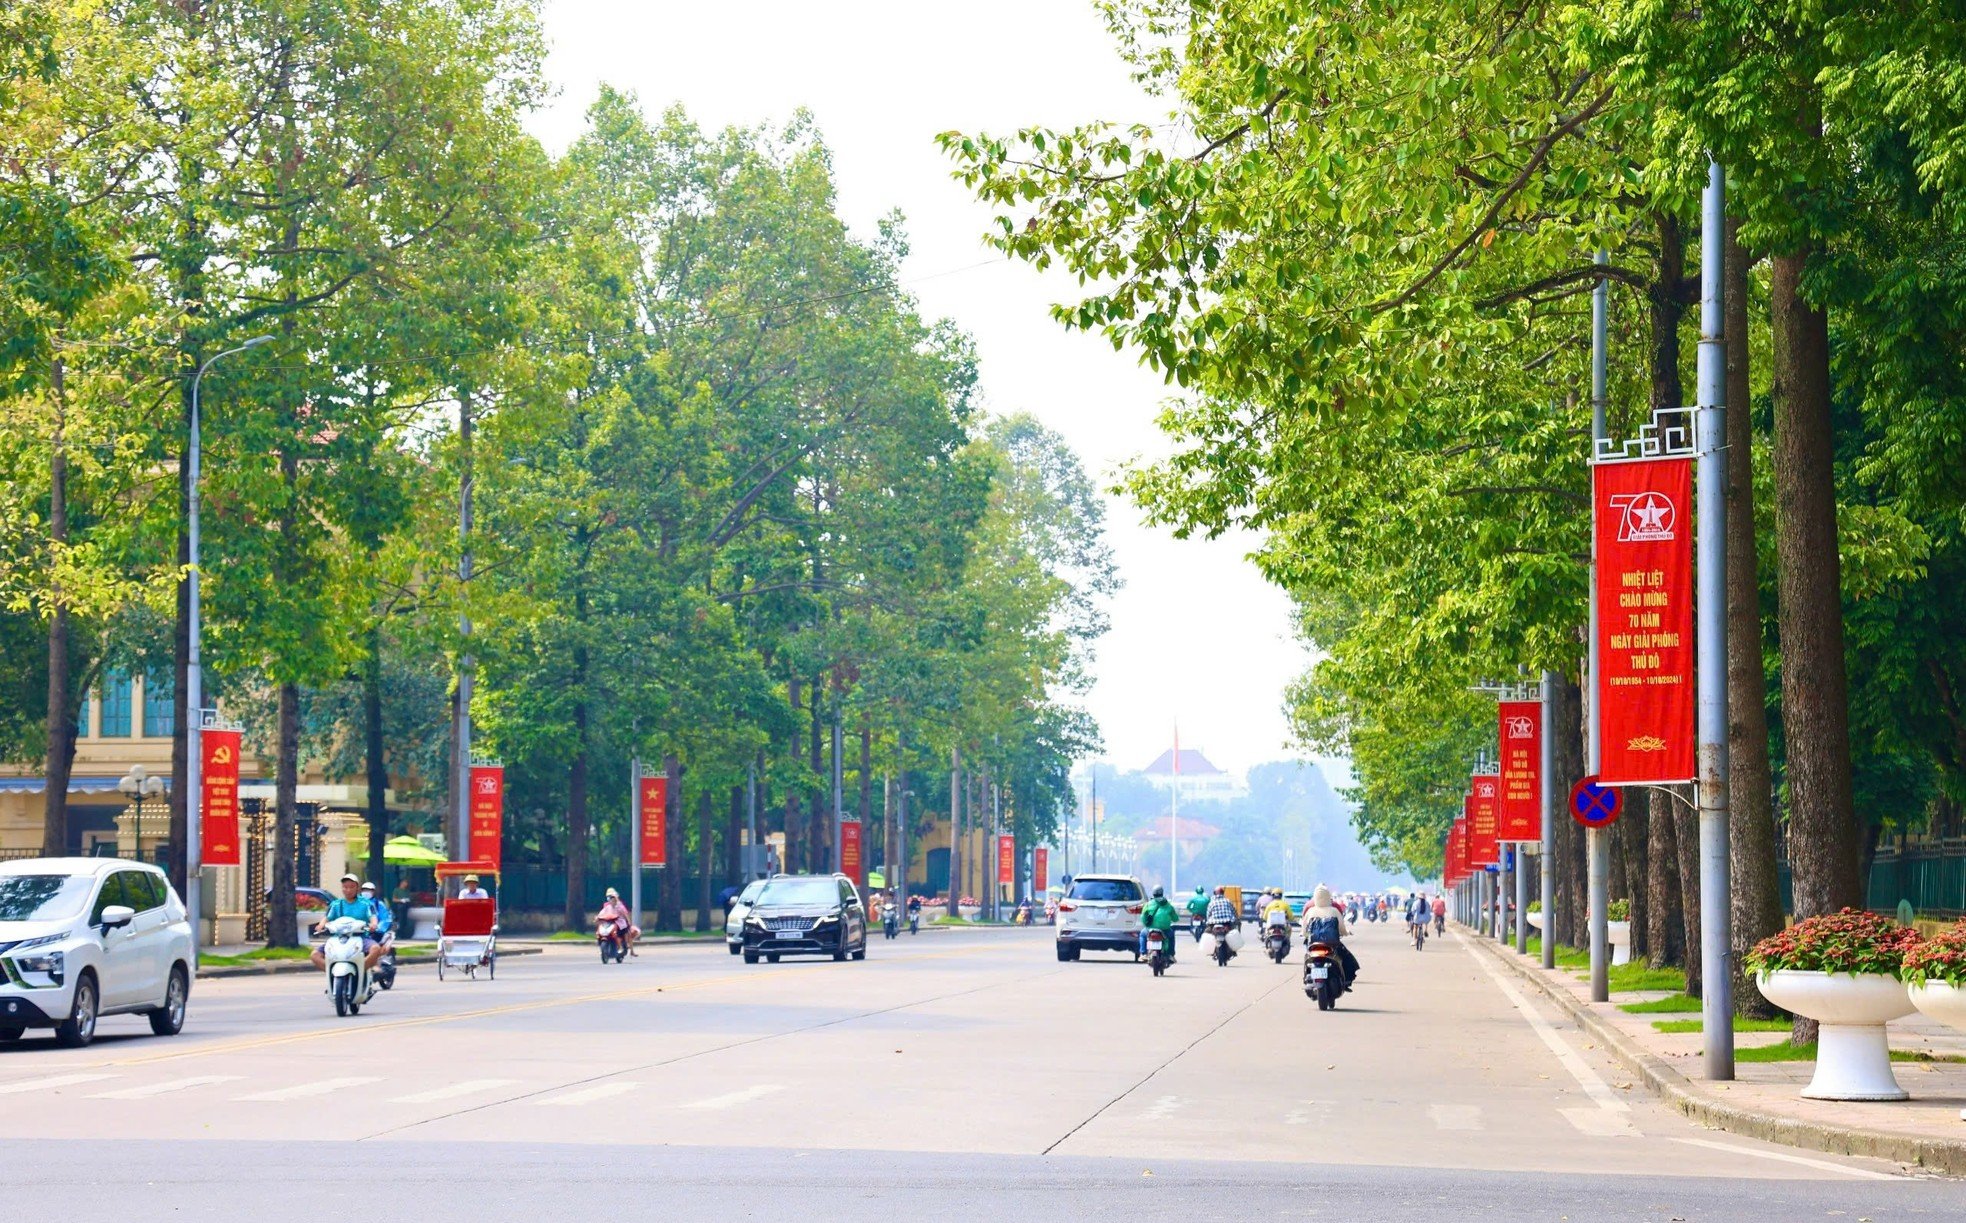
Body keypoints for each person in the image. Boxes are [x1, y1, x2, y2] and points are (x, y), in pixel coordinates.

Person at [311, 873, 384, 976]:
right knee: (315, 955)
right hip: (338, 939)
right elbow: (326, 918)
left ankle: (361, 971)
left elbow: (373, 917)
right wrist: (321, 925)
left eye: (351, 887)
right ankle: (333, 973)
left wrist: (373, 924)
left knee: (375, 949)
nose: (348, 890)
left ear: (357, 888)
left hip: (361, 938)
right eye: (345, 887)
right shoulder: (336, 904)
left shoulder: (366, 903)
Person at [1300, 884, 1359, 989]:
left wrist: (1306, 935)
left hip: (1313, 944)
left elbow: (1304, 931)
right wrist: (1345, 933)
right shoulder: (1334, 911)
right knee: (1347, 959)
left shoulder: (1310, 911)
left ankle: (1306, 977)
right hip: (1332, 944)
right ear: (1328, 896)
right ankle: (1346, 981)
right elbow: (1342, 928)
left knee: (1307, 958)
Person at [1139, 885, 1179, 962]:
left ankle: (1143, 953)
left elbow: (1143, 917)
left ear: (1153, 893)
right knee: (1171, 936)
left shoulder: (1148, 904)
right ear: (1162, 893)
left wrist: (1146, 924)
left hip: (1150, 929)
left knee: (1142, 935)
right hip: (1165, 930)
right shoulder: (1168, 905)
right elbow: (1175, 918)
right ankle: (1171, 955)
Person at [596, 887, 640, 955]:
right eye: (609, 897)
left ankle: (629, 949)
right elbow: (602, 913)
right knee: (599, 932)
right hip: (609, 922)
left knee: (626, 933)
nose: (611, 899)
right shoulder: (607, 906)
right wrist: (597, 918)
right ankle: (603, 948)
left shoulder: (620, 906)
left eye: (612, 897)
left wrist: (628, 921)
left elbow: (625, 913)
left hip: (620, 923)